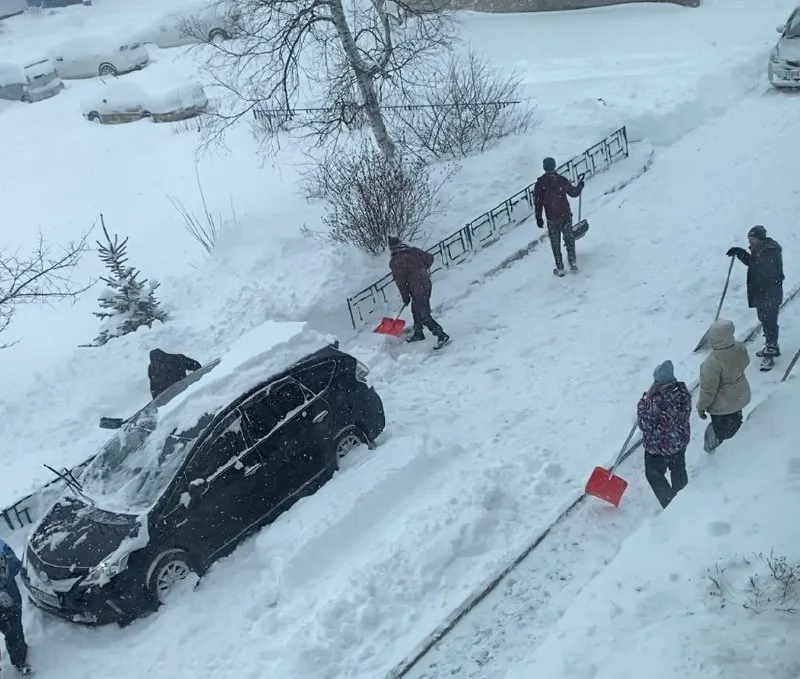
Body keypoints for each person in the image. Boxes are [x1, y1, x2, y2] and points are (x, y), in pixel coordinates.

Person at [726, 225, 784, 369]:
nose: (750, 242)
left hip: (770, 293)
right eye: (749, 239)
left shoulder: (770, 251)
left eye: (752, 239)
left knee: (769, 321)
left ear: (760, 238)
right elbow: (754, 263)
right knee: (764, 320)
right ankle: (771, 345)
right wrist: (740, 253)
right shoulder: (761, 250)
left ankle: (770, 352)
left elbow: (760, 266)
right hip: (761, 293)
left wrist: (748, 254)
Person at [636, 360, 692, 509]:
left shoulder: (654, 401)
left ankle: (671, 506)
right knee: (678, 470)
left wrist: (641, 407)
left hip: (658, 446)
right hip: (679, 442)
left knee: (654, 474)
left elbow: (644, 425)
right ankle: (686, 500)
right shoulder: (682, 392)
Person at [696, 318, 751, 453]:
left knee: (723, 433)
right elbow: (745, 362)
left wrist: (701, 407)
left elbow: (708, 391)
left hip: (722, 407)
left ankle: (723, 458)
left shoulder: (710, 364)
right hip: (739, 397)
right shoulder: (739, 347)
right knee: (736, 424)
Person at [388, 236, 450, 350]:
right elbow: (429, 258)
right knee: (416, 310)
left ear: (391, 249)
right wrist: (420, 269)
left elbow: (401, 283)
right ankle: (418, 333)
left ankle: (441, 335)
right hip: (426, 284)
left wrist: (405, 297)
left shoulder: (396, 261)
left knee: (423, 314)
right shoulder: (413, 251)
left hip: (417, 289)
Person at [533, 157, 585, 277]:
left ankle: (560, 267)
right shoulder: (561, 180)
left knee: (555, 243)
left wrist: (538, 217)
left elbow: (538, 202)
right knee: (569, 239)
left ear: (544, 167)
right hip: (565, 215)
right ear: (554, 166)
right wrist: (580, 186)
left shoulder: (540, 185)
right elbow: (573, 193)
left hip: (552, 218)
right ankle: (572, 263)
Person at [0, 539, 31, 675]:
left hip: (10, 596)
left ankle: (20, 659)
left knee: (14, 629)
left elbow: (15, 562)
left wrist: (5, 568)